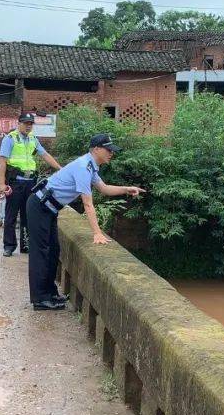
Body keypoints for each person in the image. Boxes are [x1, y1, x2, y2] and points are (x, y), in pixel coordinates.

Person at [25, 133, 144, 311]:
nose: (111, 153)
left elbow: (104, 189)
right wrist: (97, 233)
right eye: (108, 150)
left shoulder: (91, 166)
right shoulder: (83, 167)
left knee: (53, 250)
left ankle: (50, 294)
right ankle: (40, 299)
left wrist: (126, 189)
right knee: (41, 252)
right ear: (96, 149)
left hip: (49, 209)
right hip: (39, 207)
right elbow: (88, 204)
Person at [0, 112, 61, 256]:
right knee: (11, 215)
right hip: (15, 183)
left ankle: (25, 245)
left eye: (30, 124)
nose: (28, 126)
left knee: (28, 214)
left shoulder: (33, 139)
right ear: (19, 123)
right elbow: (3, 162)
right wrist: (1, 184)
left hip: (30, 182)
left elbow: (45, 155)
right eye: (25, 123)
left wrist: (61, 169)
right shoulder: (10, 138)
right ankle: (9, 246)